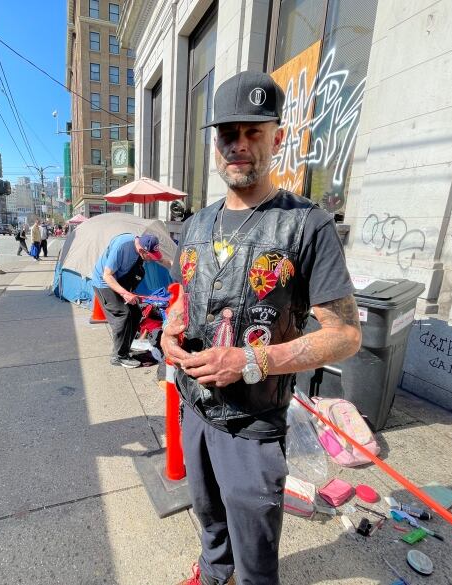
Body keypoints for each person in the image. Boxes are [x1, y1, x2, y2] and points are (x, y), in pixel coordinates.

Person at [162, 71, 362, 585]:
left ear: (277, 136)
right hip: (194, 406)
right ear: (215, 142)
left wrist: (251, 361)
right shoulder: (197, 224)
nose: (239, 145)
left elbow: (345, 335)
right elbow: (183, 296)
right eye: (229, 133)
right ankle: (212, 572)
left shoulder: (305, 224)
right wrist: (168, 329)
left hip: (253, 423)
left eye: (254, 132)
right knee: (208, 514)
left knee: (254, 539)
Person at [92, 234, 169, 369]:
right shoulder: (122, 247)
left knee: (136, 313)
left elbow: (164, 261)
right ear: (142, 251)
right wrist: (125, 294)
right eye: (150, 256)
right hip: (104, 282)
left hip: (120, 280)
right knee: (123, 314)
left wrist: (182, 268)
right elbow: (107, 275)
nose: (151, 259)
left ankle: (125, 349)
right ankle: (118, 357)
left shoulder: (143, 245)